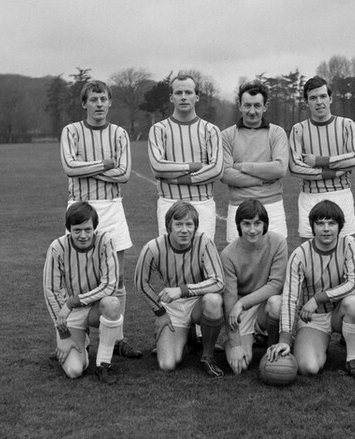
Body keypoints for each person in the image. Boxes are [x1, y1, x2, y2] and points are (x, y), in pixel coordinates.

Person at [59, 79, 140, 359]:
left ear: (110, 102)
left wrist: (86, 169)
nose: (99, 104)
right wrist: (106, 165)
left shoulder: (119, 133)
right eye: (93, 99)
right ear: (84, 104)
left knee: (117, 277)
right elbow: (69, 167)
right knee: (77, 277)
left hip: (111, 207)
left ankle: (117, 338)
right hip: (80, 207)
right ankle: (80, 336)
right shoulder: (71, 131)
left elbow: (124, 174)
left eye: (103, 99)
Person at [265, 200, 355, 380]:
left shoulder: (349, 244)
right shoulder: (300, 254)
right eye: (320, 223)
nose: (326, 229)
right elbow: (289, 298)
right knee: (308, 368)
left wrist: (318, 298)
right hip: (313, 318)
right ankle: (314, 343)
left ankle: (353, 359)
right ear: (312, 227)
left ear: (340, 226)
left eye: (331, 223)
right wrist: (285, 339)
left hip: (340, 312)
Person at [133, 201, 226, 377]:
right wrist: (160, 313)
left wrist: (182, 290)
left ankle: (207, 356)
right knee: (167, 364)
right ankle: (189, 337)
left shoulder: (204, 242)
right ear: (169, 226)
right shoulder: (153, 247)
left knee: (213, 300)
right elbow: (141, 284)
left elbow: (219, 282)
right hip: (173, 306)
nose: (184, 230)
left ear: (195, 226)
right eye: (178, 224)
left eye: (189, 224)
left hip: (198, 301)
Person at [42, 202, 124, 383]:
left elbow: (110, 286)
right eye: (77, 230)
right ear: (69, 229)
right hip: (71, 313)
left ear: (95, 227)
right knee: (74, 370)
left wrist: (73, 301)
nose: (83, 235)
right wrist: (63, 335)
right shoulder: (57, 247)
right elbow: (51, 291)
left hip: (96, 307)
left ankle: (103, 365)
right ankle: (81, 343)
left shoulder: (105, 241)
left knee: (112, 303)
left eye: (88, 229)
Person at [147, 73, 223, 241]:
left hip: (202, 204)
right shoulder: (158, 129)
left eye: (188, 92)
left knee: (202, 254)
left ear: (197, 97)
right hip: (169, 203)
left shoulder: (211, 130)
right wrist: (194, 167)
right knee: (170, 255)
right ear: (171, 97)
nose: (183, 97)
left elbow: (217, 170)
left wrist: (180, 180)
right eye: (178, 93)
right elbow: (158, 167)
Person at [288, 76, 355, 239]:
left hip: (341, 194)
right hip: (310, 196)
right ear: (306, 102)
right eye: (313, 98)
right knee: (309, 249)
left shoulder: (346, 124)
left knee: (345, 248)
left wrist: (319, 161)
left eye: (323, 96)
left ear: (331, 98)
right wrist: (332, 172)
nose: (319, 102)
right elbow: (295, 167)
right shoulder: (298, 129)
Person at [220, 199, 287, 374]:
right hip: (241, 310)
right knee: (241, 365)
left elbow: (276, 284)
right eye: (246, 224)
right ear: (239, 225)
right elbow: (230, 301)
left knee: (277, 303)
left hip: (264, 303)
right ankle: (231, 342)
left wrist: (243, 303)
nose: (252, 230)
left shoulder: (278, 242)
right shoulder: (228, 255)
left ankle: (271, 346)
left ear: (264, 224)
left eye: (257, 223)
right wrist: (235, 344)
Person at [220, 80, 289, 243]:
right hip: (238, 207)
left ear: (265, 106)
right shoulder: (226, 135)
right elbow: (226, 174)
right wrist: (263, 178)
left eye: (257, 105)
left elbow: (280, 169)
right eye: (247, 105)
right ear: (240, 106)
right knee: (238, 257)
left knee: (275, 255)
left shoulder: (277, 133)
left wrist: (243, 166)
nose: (252, 111)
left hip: (272, 206)